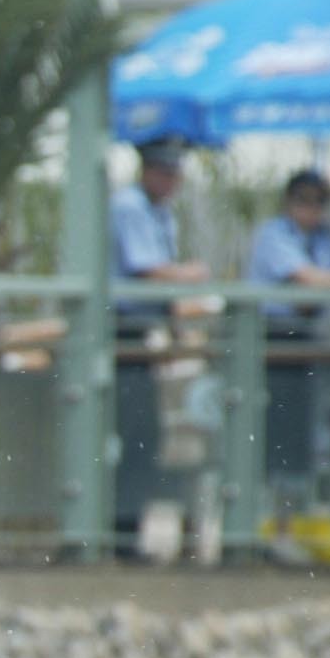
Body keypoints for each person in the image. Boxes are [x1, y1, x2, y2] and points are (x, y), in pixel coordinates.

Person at [249, 169, 330, 489]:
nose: (310, 209)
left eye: (319, 202)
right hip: (270, 340)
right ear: (287, 201)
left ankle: (293, 518)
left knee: (303, 434)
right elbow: (305, 277)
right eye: (303, 200)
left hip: (308, 342)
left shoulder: (323, 237)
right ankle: (270, 520)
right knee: (273, 434)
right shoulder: (272, 233)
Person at [110, 139, 209, 541]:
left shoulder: (161, 212)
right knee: (132, 432)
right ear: (147, 170)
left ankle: (128, 533)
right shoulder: (129, 205)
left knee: (146, 435)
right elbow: (145, 270)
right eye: (164, 172)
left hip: (145, 333)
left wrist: (176, 326)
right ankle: (119, 533)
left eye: (175, 174)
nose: (171, 181)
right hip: (118, 331)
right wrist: (189, 275)